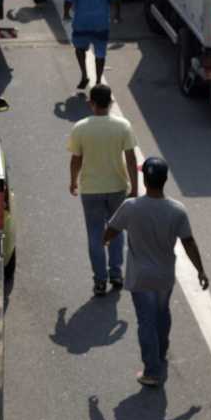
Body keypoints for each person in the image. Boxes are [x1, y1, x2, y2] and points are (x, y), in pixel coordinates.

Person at [104, 157, 208, 388]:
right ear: (165, 180)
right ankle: (161, 352)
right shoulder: (177, 210)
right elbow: (189, 242)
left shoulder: (131, 207)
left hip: (140, 277)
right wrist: (200, 270)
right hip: (164, 276)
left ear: (144, 179)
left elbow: (111, 231)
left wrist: (103, 241)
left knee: (146, 322)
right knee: (162, 313)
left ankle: (151, 371)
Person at [68, 83, 139, 297]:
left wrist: (73, 182)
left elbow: (76, 159)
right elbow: (131, 158)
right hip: (117, 188)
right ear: (111, 103)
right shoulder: (123, 126)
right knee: (116, 231)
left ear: (91, 103)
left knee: (95, 235)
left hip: (90, 190)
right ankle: (116, 274)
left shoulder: (80, 127)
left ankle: (99, 281)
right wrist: (135, 187)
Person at [62, 0, 122, 89]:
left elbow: (68, 0)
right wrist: (117, 15)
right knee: (100, 53)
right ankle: (98, 81)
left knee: (79, 49)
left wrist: (66, 13)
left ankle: (84, 75)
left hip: (81, 23)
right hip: (101, 23)